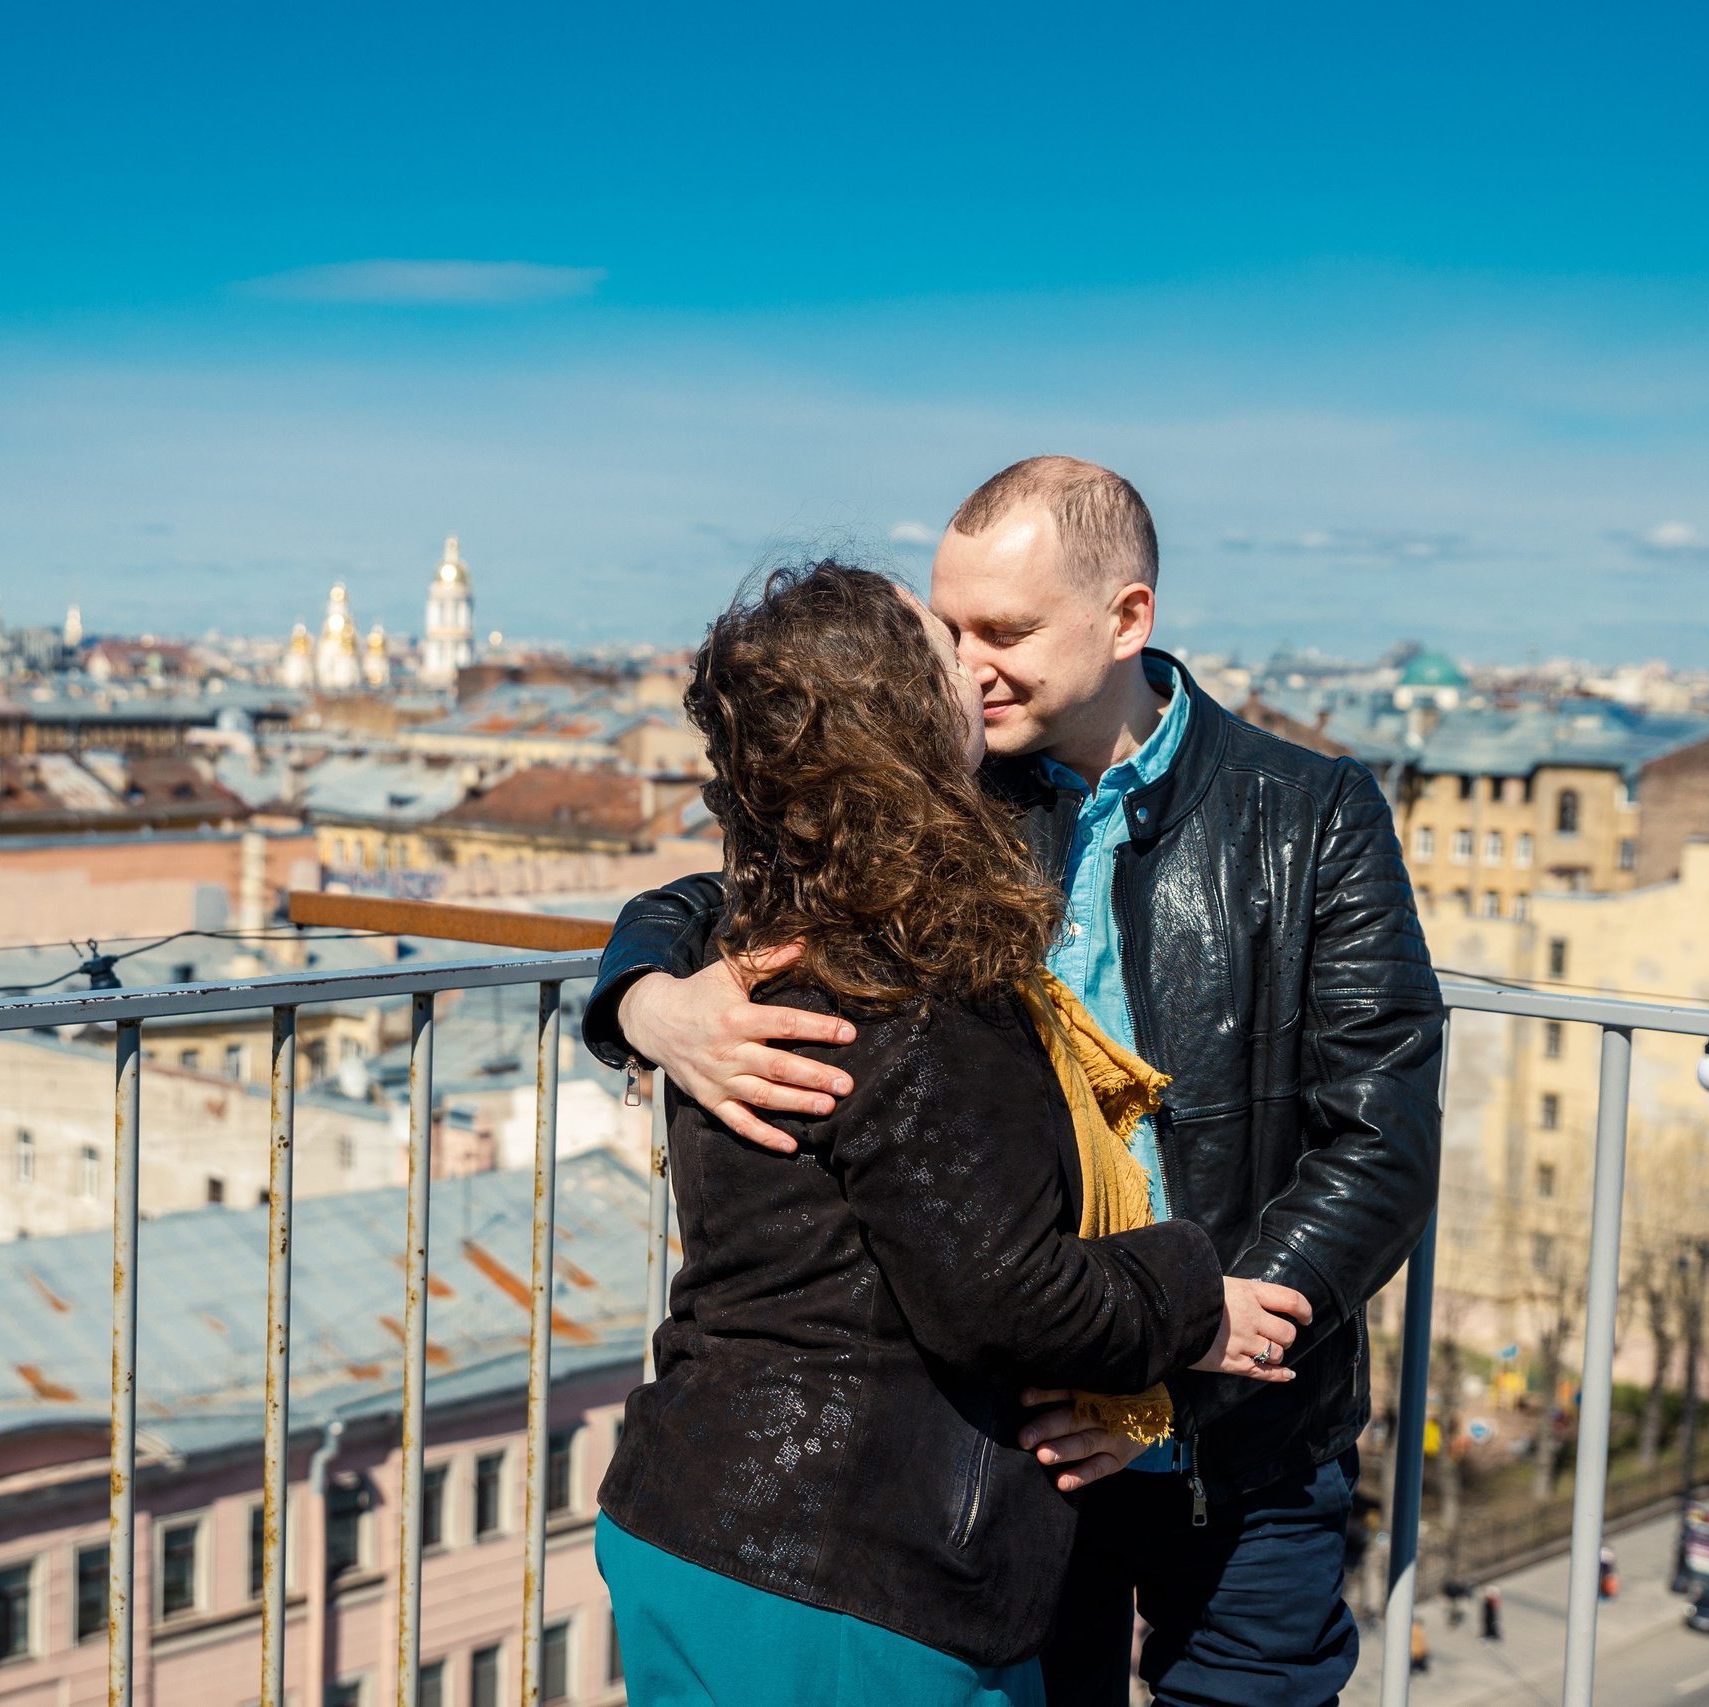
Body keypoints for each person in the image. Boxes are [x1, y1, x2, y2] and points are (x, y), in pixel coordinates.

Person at [583, 458, 1444, 1706]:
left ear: (1126, 619)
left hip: (1238, 1429)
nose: (968, 664)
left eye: (1007, 632)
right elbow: (711, 896)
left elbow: (1379, 1140)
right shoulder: (940, 785)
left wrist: (1181, 1377)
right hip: (1021, 1445)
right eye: (950, 632)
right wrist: (642, 999)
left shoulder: (1306, 813)